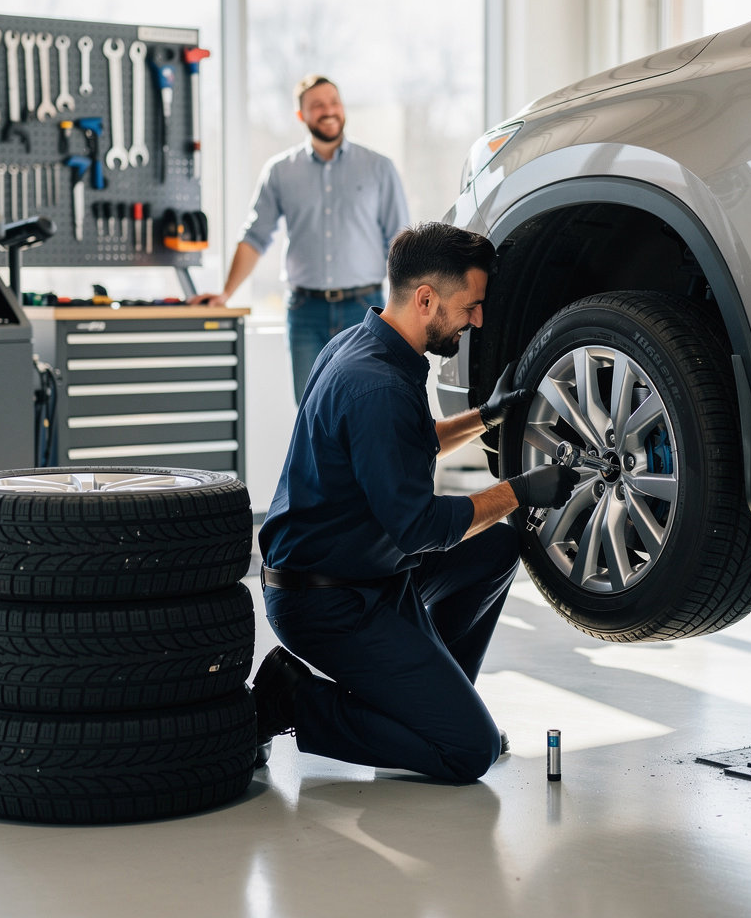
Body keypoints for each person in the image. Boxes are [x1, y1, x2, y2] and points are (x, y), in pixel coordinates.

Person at [250, 221, 580, 783]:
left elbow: (412, 440)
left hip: (368, 572)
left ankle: (431, 706)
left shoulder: (364, 346)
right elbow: (421, 528)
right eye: (470, 306)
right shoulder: (374, 385)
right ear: (426, 300)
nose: (477, 319)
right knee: (467, 753)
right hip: (329, 604)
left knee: (497, 547)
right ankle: (293, 699)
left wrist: (487, 416)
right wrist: (519, 491)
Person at [189, 75, 409, 403]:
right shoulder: (280, 171)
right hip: (306, 313)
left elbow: (399, 244)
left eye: (333, 102)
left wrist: (402, 310)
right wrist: (226, 292)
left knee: (369, 405)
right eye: (317, 105)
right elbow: (255, 236)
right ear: (301, 115)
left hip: (364, 309)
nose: (328, 110)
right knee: (311, 411)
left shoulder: (379, 167)